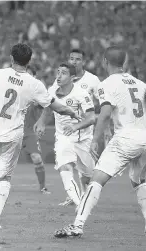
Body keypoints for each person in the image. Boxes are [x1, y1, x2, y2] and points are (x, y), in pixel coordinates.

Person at [0, 43, 81, 229]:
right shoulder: (34, 84)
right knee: (5, 178)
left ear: (11, 58)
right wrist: (72, 113)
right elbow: (54, 105)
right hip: (13, 133)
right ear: (29, 61)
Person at [54, 46, 146, 238]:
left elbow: (106, 113)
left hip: (126, 138)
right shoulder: (138, 82)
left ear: (105, 61)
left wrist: (95, 140)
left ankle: (78, 225)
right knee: (139, 181)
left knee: (96, 180)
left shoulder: (106, 84)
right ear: (124, 62)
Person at [36, 49, 104, 206]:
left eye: (63, 73)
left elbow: (92, 116)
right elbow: (48, 106)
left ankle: (83, 197)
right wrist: (41, 122)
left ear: (73, 77)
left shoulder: (85, 89)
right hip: (63, 136)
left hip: (84, 137)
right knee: (64, 167)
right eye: (58, 72)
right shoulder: (53, 88)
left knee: (87, 175)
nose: (58, 76)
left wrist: (76, 126)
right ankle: (77, 202)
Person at [0, 66, 50, 194]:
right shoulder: (13, 90)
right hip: (12, 130)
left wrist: (41, 123)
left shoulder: (37, 91)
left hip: (28, 132)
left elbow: (46, 106)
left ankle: (43, 188)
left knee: (37, 158)